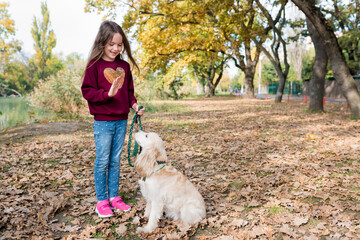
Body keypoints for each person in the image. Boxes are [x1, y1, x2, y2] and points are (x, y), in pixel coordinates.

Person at [81, 20, 145, 218]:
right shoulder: (94, 66)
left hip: (121, 120)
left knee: (115, 160)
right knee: (102, 161)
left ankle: (114, 197)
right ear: (102, 43)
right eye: (111, 44)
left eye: (119, 45)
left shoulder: (123, 66)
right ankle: (102, 200)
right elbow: (87, 92)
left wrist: (134, 105)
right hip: (102, 122)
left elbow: (129, 92)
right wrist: (106, 94)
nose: (116, 48)